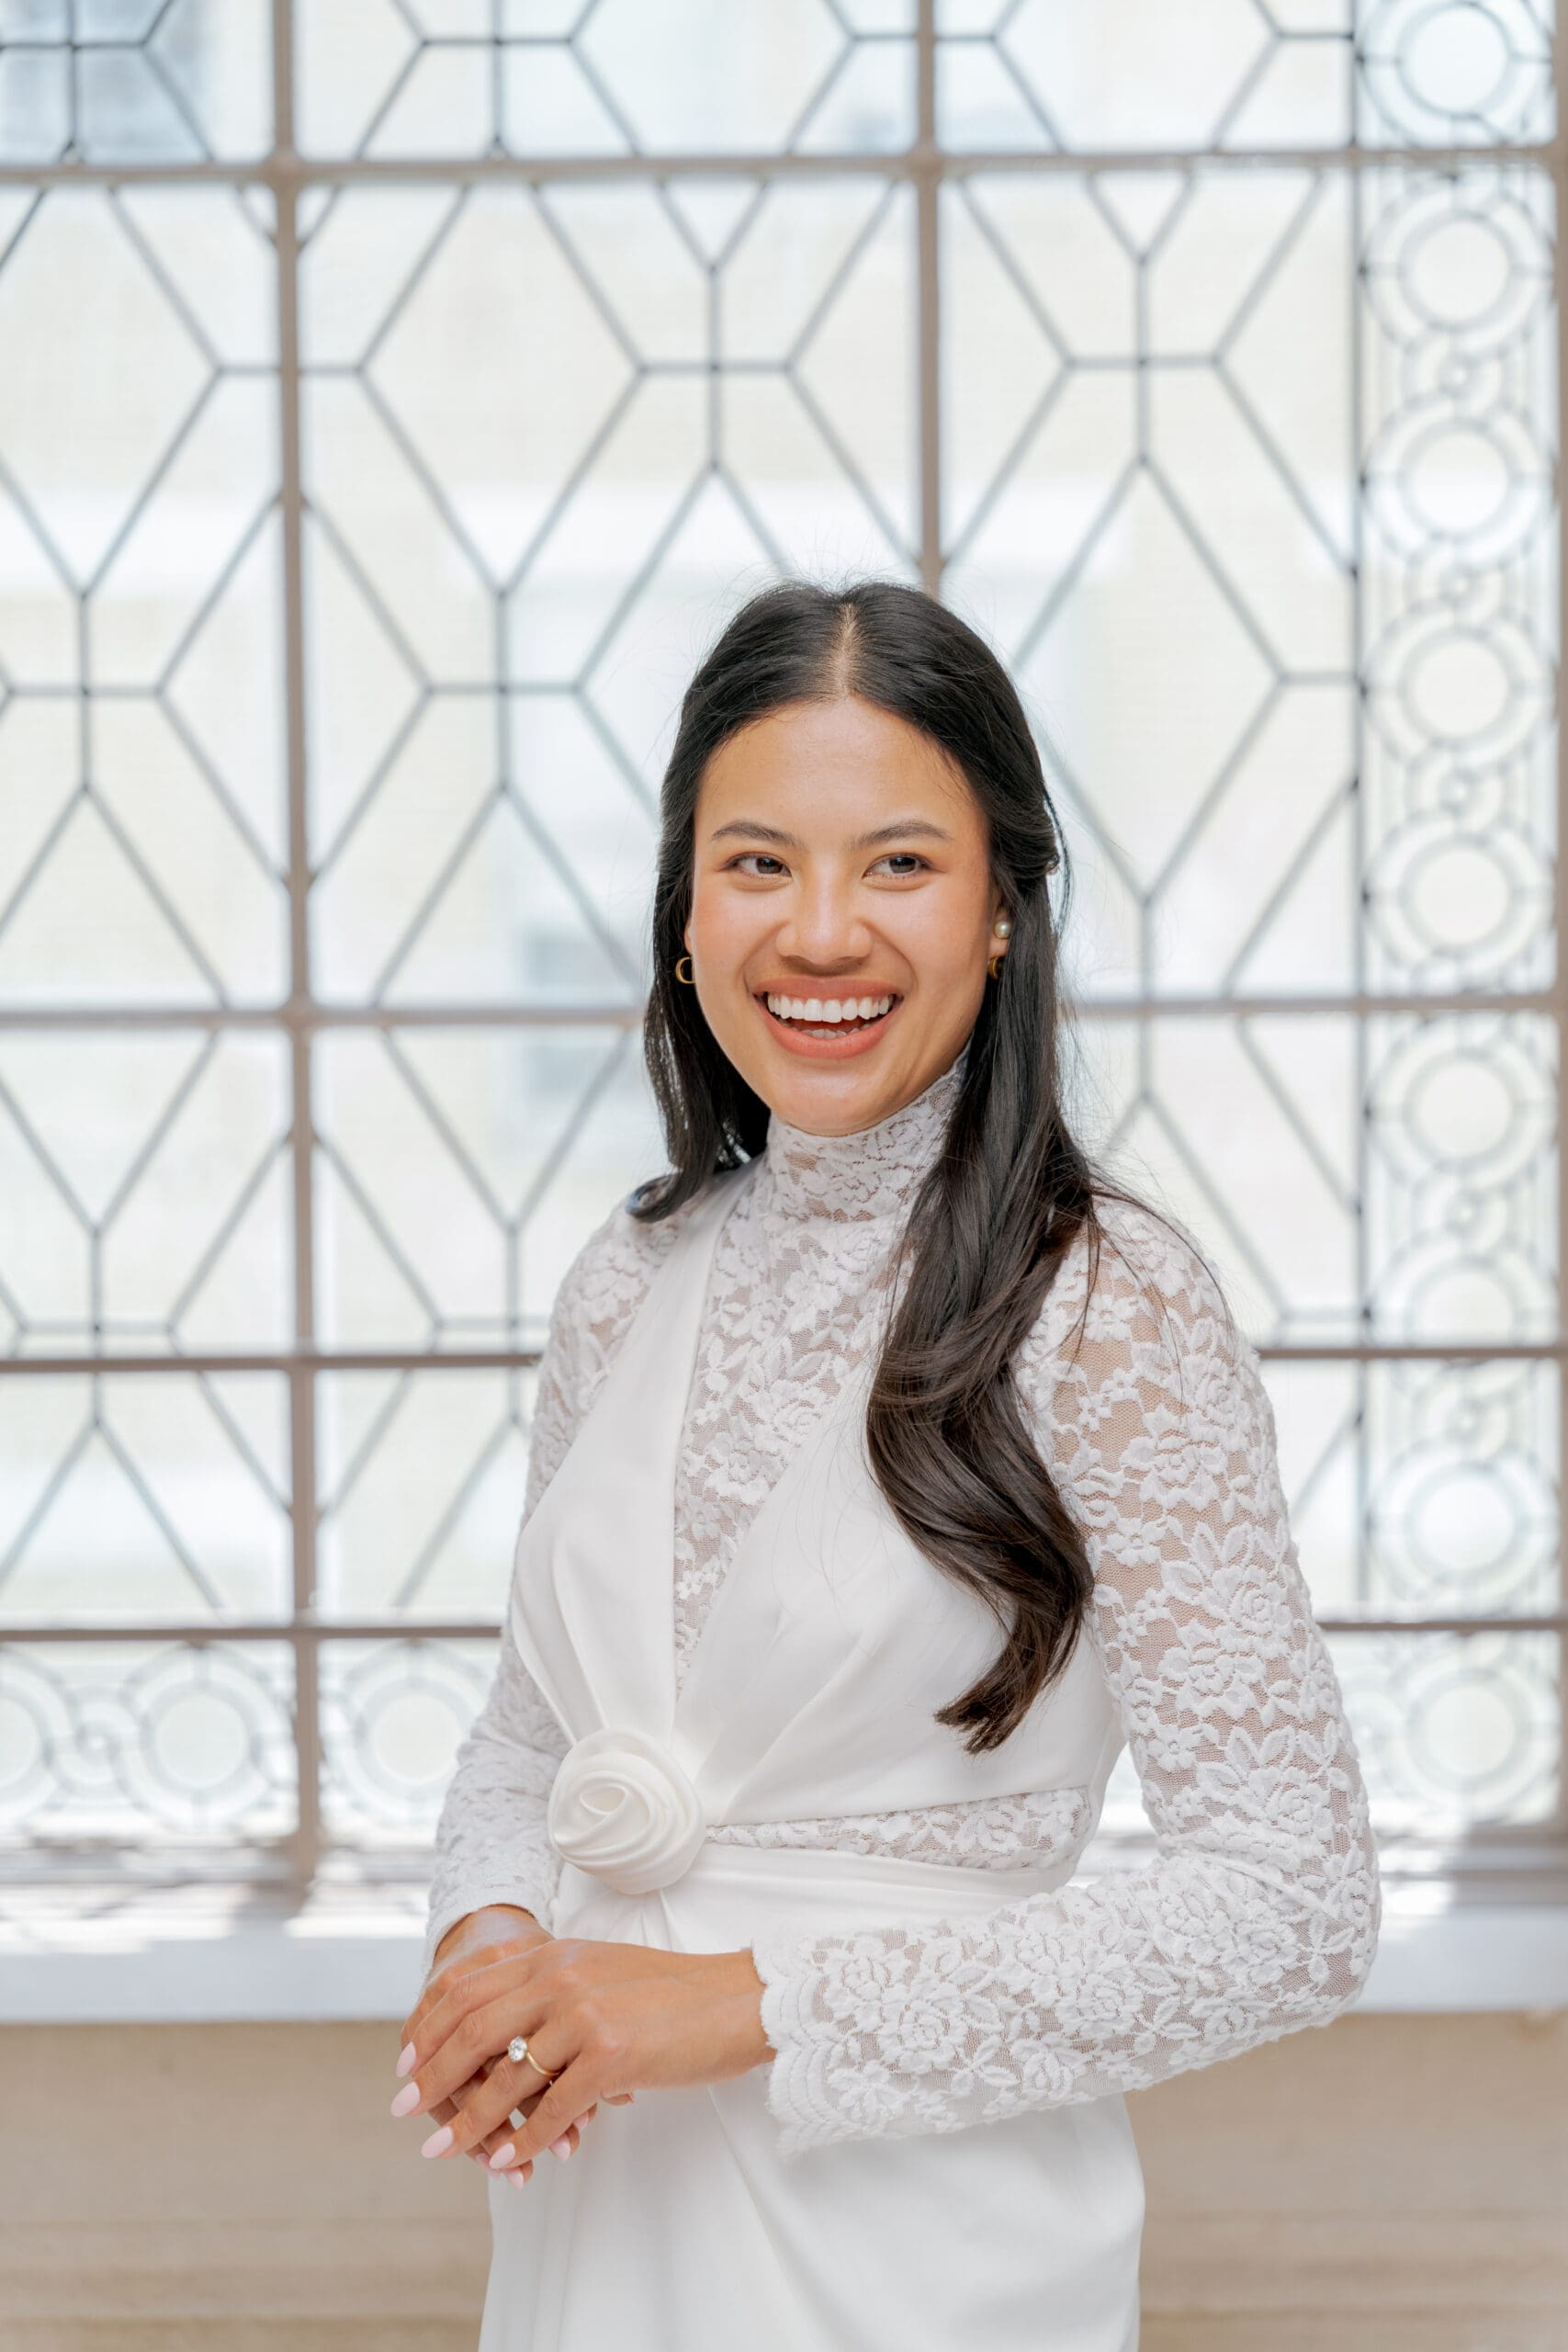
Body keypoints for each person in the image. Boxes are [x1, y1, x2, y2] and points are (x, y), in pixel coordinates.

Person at [388, 579, 1382, 2350]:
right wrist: (489, 1953)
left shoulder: (1109, 1306)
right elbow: (532, 1738)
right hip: (597, 2203)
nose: (821, 932)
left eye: (900, 865)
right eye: (757, 863)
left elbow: (1291, 1904)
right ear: (684, 913)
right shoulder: (626, 1281)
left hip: (922, 2248)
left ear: (1005, 909)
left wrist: (739, 2004)